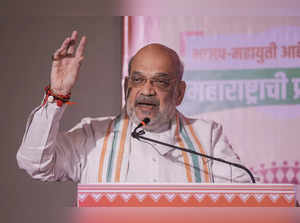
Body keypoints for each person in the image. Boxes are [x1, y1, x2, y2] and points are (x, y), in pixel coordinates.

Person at [17, 31, 251, 184]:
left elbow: (247, 197)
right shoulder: (94, 135)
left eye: (160, 82)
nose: (147, 90)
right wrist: (57, 95)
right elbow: (35, 163)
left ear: (179, 93)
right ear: (126, 87)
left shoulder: (207, 137)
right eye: (138, 80)